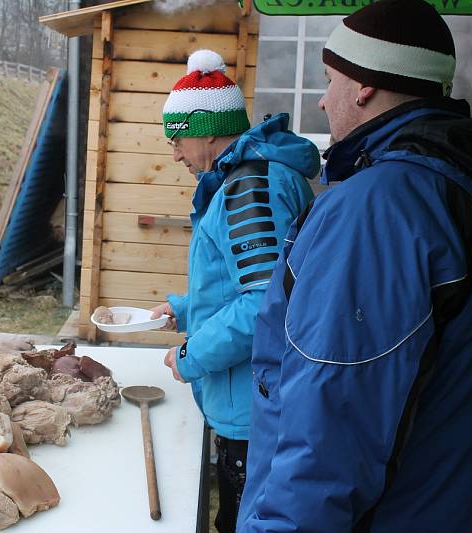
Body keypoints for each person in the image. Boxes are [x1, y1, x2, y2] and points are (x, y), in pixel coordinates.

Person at [238, 1, 472, 531]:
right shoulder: (455, 179)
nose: (322, 101)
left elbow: (329, 433)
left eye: (328, 80)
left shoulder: (376, 209)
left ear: (364, 86)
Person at [148, 49, 318, 533]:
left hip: (255, 402)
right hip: (253, 394)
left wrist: (192, 353)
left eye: (177, 139)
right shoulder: (249, 177)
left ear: (206, 129)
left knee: (244, 520)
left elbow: (263, 303)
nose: (175, 153)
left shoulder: (249, 188)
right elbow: (245, 281)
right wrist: (182, 310)